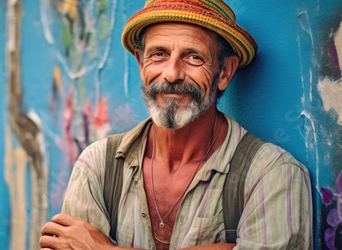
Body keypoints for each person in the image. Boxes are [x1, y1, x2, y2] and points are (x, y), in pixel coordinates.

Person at [40, 0, 313, 249]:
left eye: (194, 56)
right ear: (140, 63)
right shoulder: (98, 166)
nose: (171, 74)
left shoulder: (272, 174)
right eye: (158, 54)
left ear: (225, 72)